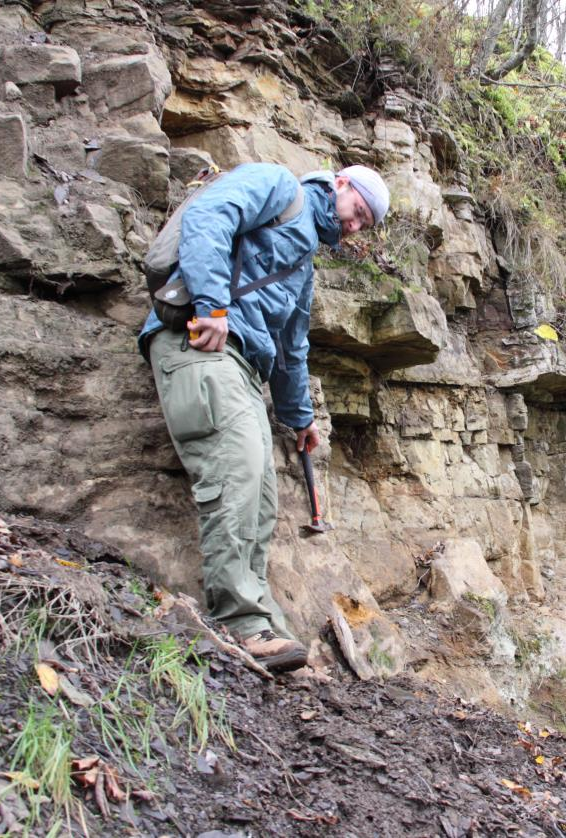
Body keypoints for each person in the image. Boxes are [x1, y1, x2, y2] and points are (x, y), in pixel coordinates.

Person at [139, 162, 390, 672]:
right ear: (340, 184)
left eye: (364, 223)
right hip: (202, 342)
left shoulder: (305, 264)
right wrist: (210, 306)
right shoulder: (277, 186)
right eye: (358, 211)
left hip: (246, 370)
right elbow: (209, 216)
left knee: (263, 495)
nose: (355, 226)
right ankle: (236, 621)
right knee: (239, 469)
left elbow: (292, 347)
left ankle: (262, 622)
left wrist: (300, 420)